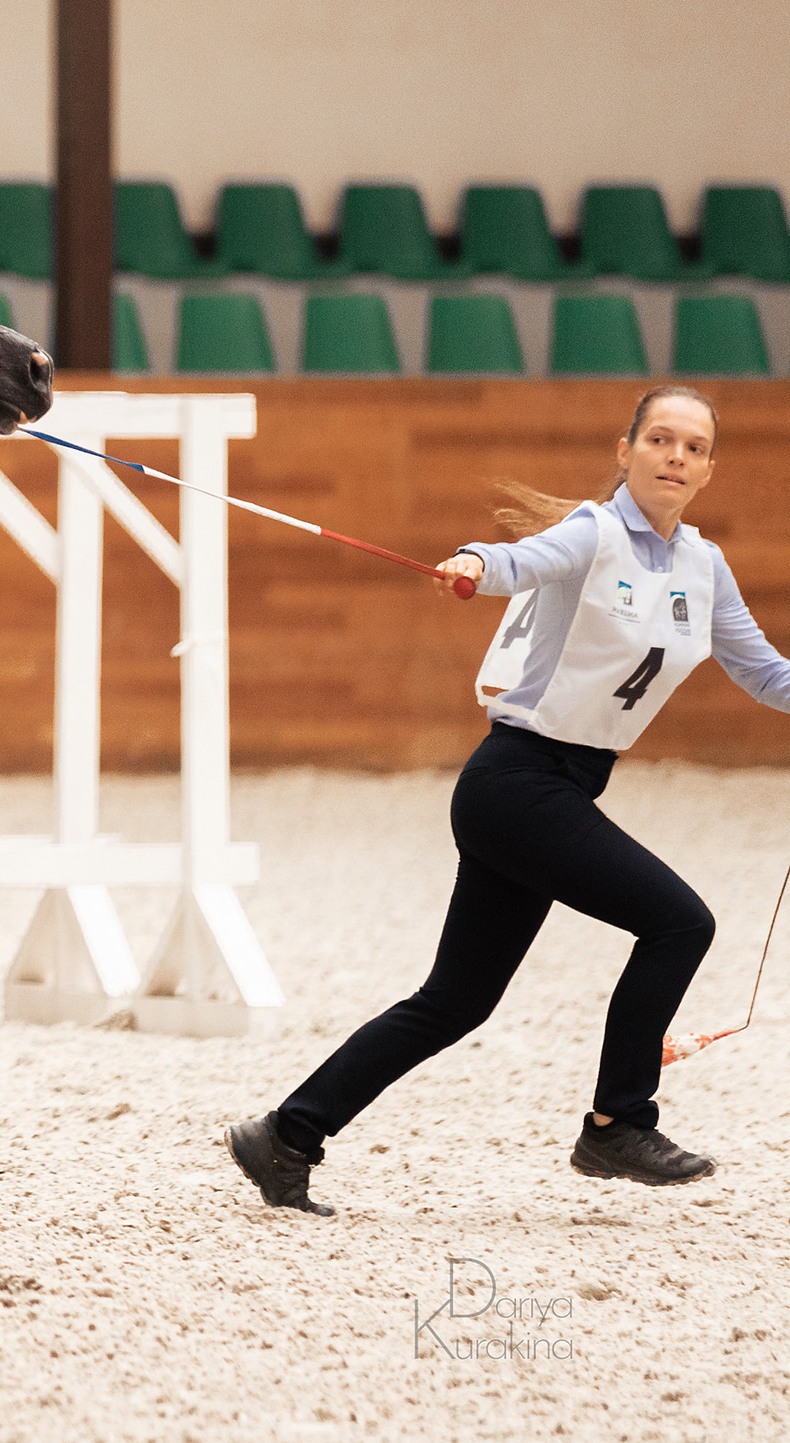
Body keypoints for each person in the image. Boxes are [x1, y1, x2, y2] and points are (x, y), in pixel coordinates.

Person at [228, 385, 789, 1214]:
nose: (676, 456)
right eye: (660, 439)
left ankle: (286, 1134)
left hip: (551, 790)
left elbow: (765, 670)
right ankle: (617, 1122)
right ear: (626, 450)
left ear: (709, 468)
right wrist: (474, 562)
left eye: (694, 447)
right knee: (680, 922)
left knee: (455, 1000)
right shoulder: (593, 533)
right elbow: (522, 559)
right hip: (517, 782)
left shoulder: (703, 567)